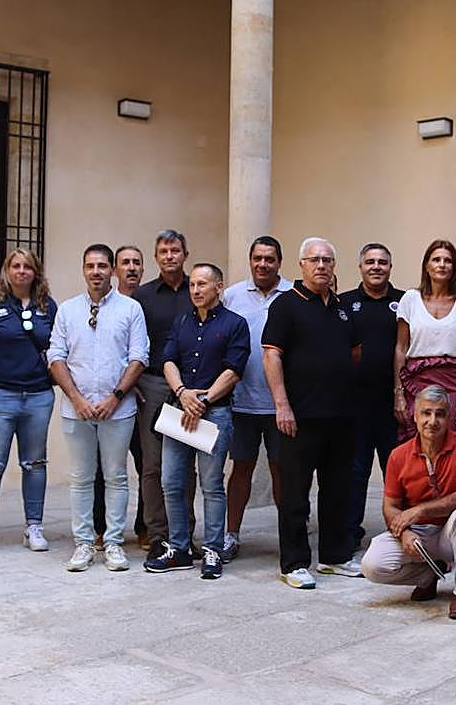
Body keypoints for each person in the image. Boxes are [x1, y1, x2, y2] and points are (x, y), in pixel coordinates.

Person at [263, 237, 363, 589]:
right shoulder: (286, 305)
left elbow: (354, 355)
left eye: (327, 260)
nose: (321, 266)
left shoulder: (341, 307)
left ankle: (334, 557)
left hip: (340, 417)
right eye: (314, 260)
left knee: (338, 489)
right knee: (294, 492)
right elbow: (271, 355)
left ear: (335, 266)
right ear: (301, 265)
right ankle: (294, 563)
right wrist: (282, 405)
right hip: (299, 418)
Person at [48, 244, 148, 572]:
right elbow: (55, 356)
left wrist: (115, 397)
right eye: (90, 266)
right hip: (76, 410)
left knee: (117, 476)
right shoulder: (68, 310)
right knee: (81, 478)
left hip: (117, 409)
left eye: (103, 266)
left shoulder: (130, 309)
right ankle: (84, 543)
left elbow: (138, 357)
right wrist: (76, 398)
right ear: (83, 270)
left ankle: (115, 543)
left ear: (112, 271)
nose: (96, 272)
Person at [145, 263, 249, 579]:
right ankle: (179, 549)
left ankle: (213, 550)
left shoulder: (235, 324)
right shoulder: (181, 322)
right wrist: (182, 393)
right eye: (193, 285)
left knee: (212, 485)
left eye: (203, 284)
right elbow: (168, 360)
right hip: (180, 411)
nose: (196, 290)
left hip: (214, 413)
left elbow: (233, 371)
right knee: (171, 482)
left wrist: (203, 400)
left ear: (220, 286)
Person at [360, 385, 456, 621]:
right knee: (372, 565)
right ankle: (427, 576)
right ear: (415, 416)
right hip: (418, 535)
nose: (433, 421)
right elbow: (390, 506)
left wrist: (418, 511)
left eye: (440, 414)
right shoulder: (399, 455)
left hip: (452, 533)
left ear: (449, 417)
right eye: (426, 413)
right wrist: (404, 534)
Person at [0, 248, 56, 554]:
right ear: (7, 270)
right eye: (15, 266)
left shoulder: (48, 306)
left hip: (38, 396)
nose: (21, 272)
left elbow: (56, 348)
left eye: (27, 267)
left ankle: (34, 527)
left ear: (36, 272)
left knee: (34, 463)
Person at [221, 236, 293, 561]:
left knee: (283, 470)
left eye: (270, 259)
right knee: (241, 468)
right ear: (251, 261)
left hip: (281, 403)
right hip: (241, 401)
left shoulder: (293, 295)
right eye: (258, 258)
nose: (263, 264)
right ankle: (230, 535)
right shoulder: (232, 296)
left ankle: (288, 537)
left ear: (280, 262)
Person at [340, 243, 405, 555]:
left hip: (395, 406)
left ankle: (403, 531)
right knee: (355, 472)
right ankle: (350, 533)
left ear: (391, 267)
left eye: (382, 262)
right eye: (370, 262)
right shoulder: (344, 303)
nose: (376, 267)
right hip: (354, 406)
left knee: (398, 473)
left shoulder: (405, 302)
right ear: (361, 267)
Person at [133, 230, 195, 560]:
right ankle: (158, 535)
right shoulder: (142, 297)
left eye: (175, 250)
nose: (169, 256)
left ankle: (185, 534)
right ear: (156, 258)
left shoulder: (197, 289)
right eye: (163, 251)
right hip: (154, 386)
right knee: (153, 465)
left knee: (187, 466)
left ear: (185, 255)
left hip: (192, 389)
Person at [89, 244, 148, 551]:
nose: (131, 268)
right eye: (125, 262)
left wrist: (138, 382)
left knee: (145, 462)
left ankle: (144, 527)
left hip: (144, 397)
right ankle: (101, 528)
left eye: (137, 262)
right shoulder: (98, 305)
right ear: (115, 269)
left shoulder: (148, 300)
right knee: (104, 466)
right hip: (111, 398)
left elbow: (146, 350)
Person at [393, 240, 456, 440]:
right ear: (426, 265)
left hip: (452, 379)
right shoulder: (410, 299)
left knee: (451, 439)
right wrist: (398, 393)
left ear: (454, 267)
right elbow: (400, 348)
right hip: (415, 379)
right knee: (417, 439)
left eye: (447, 261)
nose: (442, 264)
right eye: (436, 259)